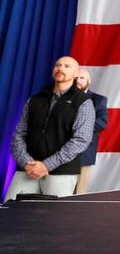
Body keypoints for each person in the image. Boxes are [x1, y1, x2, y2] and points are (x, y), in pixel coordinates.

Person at [5, 56, 93, 201]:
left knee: (54, 220)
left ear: (76, 73)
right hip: (28, 169)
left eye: (66, 66)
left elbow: (81, 140)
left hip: (61, 173)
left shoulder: (83, 102)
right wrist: (27, 163)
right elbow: (18, 134)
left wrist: (47, 165)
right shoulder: (35, 99)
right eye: (58, 65)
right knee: (10, 213)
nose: (60, 68)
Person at [73, 67, 108, 195]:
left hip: (84, 154)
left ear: (89, 80)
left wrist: (78, 127)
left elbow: (102, 123)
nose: (78, 81)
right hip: (59, 153)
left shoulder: (99, 100)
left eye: (82, 78)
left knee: (79, 194)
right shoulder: (61, 98)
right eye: (75, 78)